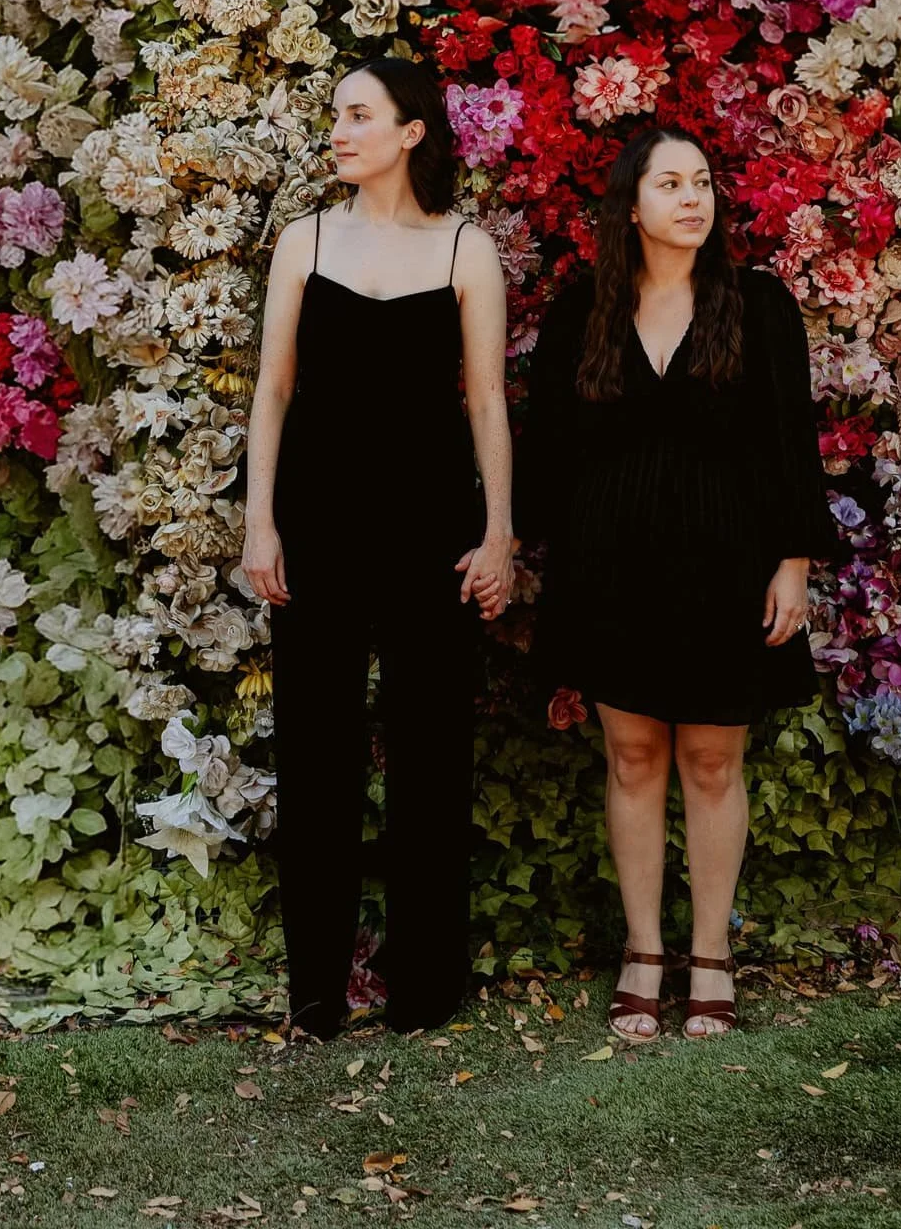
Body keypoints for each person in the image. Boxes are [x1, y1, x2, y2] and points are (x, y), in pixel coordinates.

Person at [515, 125, 839, 1043]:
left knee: (708, 761)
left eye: (702, 182)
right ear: (631, 204)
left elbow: (790, 444)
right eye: (670, 184)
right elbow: (552, 447)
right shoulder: (584, 310)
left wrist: (792, 562)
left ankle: (710, 958)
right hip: (612, 568)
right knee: (631, 759)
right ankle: (643, 953)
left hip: (726, 566)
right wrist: (544, 555)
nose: (692, 198)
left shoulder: (760, 306)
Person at [244, 55, 516, 1041]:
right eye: (333, 115)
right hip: (314, 523)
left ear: (410, 131)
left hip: (432, 528)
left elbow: (485, 397)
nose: (338, 129)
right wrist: (258, 520)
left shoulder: (463, 252)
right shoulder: (302, 242)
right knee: (315, 755)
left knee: (429, 756)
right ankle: (314, 990)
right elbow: (273, 388)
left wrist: (497, 532)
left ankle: (423, 987)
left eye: (358, 114)